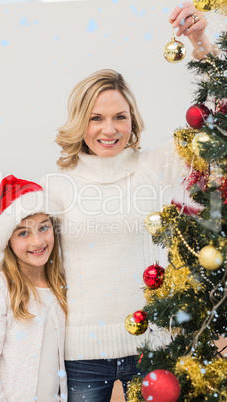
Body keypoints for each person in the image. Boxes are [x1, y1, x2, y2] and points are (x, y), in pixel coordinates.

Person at [40, 3, 217, 401]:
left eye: (120, 117)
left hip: (154, 346)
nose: (109, 129)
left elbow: (217, 114)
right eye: (96, 118)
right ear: (79, 122)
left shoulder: (155, 165)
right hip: (82, 354)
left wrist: (199, 40)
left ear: (132, 120)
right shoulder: (55, 187)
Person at [0, 175, 68, 401]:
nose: (38, 241)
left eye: (44, 228)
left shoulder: (61, 287)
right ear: (8, 242)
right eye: (23, 233)